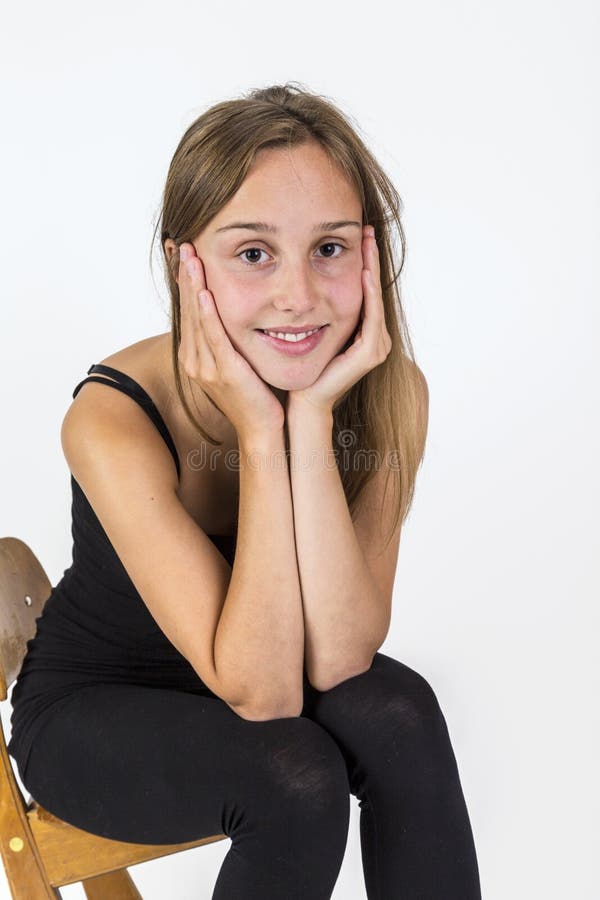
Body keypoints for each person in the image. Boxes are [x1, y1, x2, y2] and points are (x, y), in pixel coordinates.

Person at [8, 82, 482, 898]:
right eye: (253, 253)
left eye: (329, 248)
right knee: (295, 775)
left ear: (370, 254)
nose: (297, 295)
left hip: (271, 683)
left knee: (400, 712)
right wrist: (262, 435)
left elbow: (337, 660)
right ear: (184, 266)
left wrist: (312, 418)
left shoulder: (390, 393)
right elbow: (262, 694)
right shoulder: (110, 418)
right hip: (97, 715)